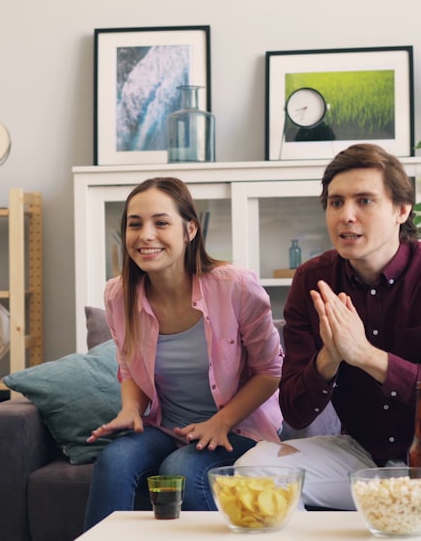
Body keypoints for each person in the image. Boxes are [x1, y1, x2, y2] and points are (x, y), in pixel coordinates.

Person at [234, 143, 421, 512]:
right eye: (336, 202)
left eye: (364, 201)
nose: (346, 215)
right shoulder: (313, 281)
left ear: (401, 209)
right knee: (253, 468)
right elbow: (296, 412)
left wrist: (366, 356)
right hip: (364, 452)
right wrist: (328, 360)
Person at [83, 177, 284, 530]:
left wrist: (220, 422)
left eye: (161, 222)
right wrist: (130, 409)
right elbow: (129, 367)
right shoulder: (118, 294)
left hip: (235, 427)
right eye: (134, 224)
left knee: (182, 470)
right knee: (114, 459)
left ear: (189, 229)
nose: (145, 235)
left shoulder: (236, 287)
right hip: (166, 425)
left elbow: (271, 370)